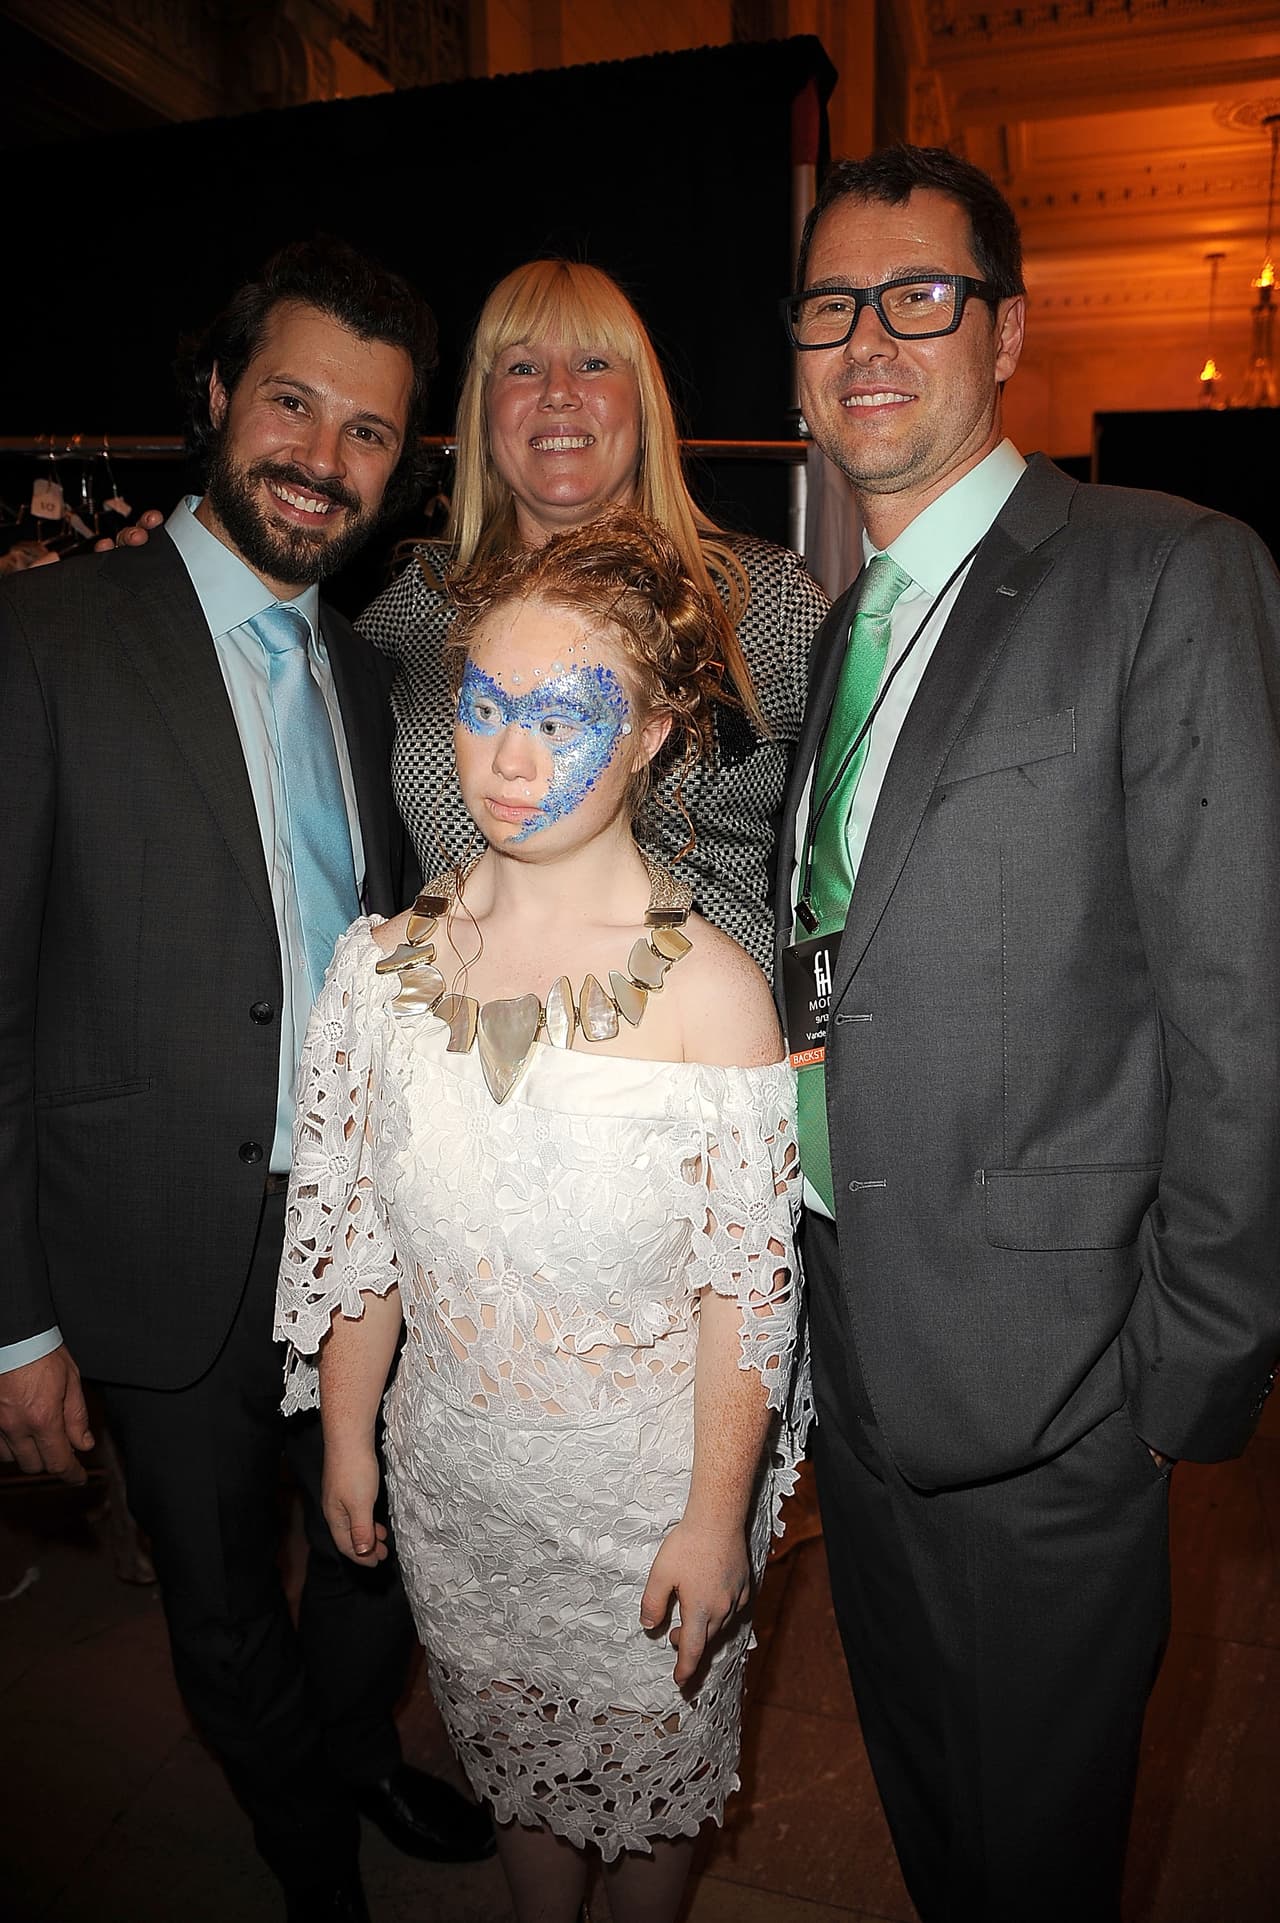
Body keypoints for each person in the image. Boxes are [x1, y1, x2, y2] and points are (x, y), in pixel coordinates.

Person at [774, 144, 1280, 1923]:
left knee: (1044, 1860)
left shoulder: (1168, 573)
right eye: (832, 305)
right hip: (859, 1350)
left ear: (1008, 332)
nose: (870, 340)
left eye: (921, 296)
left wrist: (1183, 1381)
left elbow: (1243, 1000)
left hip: (1065, 1386)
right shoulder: (842, 626)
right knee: (931, 1814)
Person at [0, 238, 493, 1921]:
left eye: (367, 432)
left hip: (359, 1231)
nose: (323, 457)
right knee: (219, 1607)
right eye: (291, 402)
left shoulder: (366, 672)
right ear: (214, 400)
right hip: (154, 1240)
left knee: (389, 1549)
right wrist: (15, 1317)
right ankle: (306, 1851)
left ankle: (346, 1743)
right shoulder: (47, 635)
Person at [275, 509, 810, 1923]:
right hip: (459, 1496)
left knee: (643, 1821)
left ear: (651, 733)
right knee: (514, 1774)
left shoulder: (713, 996)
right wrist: (345, 1431)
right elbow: (354, 1234)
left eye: (564, 715)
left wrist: (713, 1515)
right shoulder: (380, 971)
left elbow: (746, 1292)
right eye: (484, 706)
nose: (509, 756)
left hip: (644, 1510)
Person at [356, 257, 830, 974]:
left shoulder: (767, 602)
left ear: (643, 401)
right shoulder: (409, 617)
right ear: (483, 411)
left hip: (706, 1055)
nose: (557, 394)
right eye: (521, 368)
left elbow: (861, 853)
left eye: (592, 362)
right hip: (475, 1058)